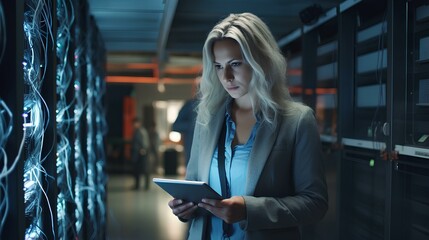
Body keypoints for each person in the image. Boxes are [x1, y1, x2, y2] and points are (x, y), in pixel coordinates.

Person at [168, 13, 328, 239]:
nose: (227, 77)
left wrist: (248, 209)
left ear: (261, 60)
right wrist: (183, 209)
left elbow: (315, 203)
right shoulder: (206, 119)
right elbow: (194, 186)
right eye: (218, 66)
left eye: (235, 64)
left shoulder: (297, 121)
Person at [172, 98, 198, 165]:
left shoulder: (219, 104)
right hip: (193, 150)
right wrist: (193, 126)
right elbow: (176, 126)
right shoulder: (191, 105)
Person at [131, 118, 150, 190]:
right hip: (137, 154)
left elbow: (145, 142)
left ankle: (146, 186)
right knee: (137, 170)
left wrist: (143, 149)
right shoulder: (137, 131)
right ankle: (137, 185)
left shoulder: (141, 131)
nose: (134, 125)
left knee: (144, 170)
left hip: (141, 154)